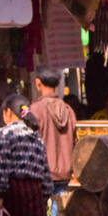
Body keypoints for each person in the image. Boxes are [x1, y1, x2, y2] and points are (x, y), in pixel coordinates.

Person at [0, 96, 52, 216]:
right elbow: (45, 171)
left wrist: (0, 194)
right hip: (36, 193)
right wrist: (44, 198)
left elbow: (2, 165)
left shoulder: (5, 133)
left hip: (15, 193)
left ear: (9, 112)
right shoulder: (36, 137)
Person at [29, 68, 78, 198]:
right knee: (60, 213)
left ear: (38, 82)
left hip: (42, 171)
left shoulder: (35, 109)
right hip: (65, 172)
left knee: (43, 213)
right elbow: (75, 141)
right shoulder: (68, 110)